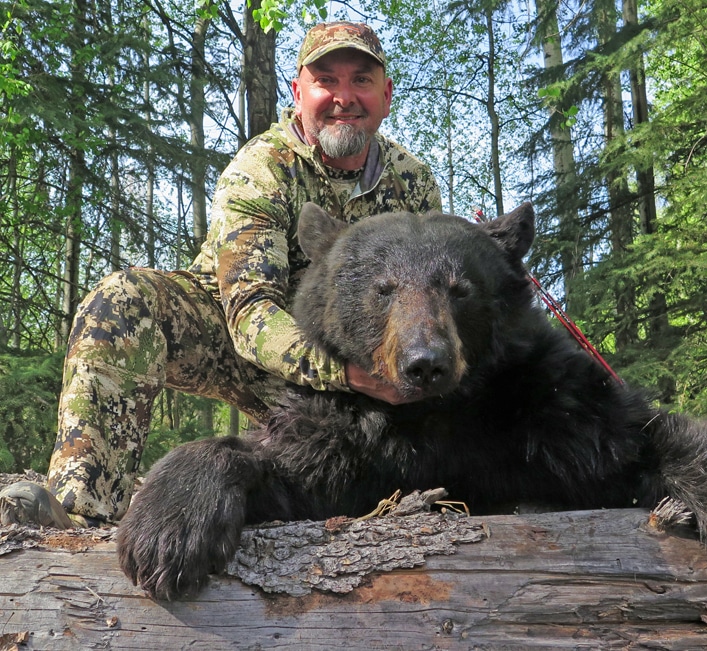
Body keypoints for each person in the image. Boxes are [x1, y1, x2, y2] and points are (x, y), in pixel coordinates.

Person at [0, 21, 442, 529]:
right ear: (298, 93)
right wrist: (344, 373)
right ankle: (81, 511)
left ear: (386, 95)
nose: (344, 97)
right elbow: (251, 311)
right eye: (326, 81)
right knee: (119, 302)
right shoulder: (263, 168)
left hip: (359, 363)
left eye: (360, 81)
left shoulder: (413, 182)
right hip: (239, 341)